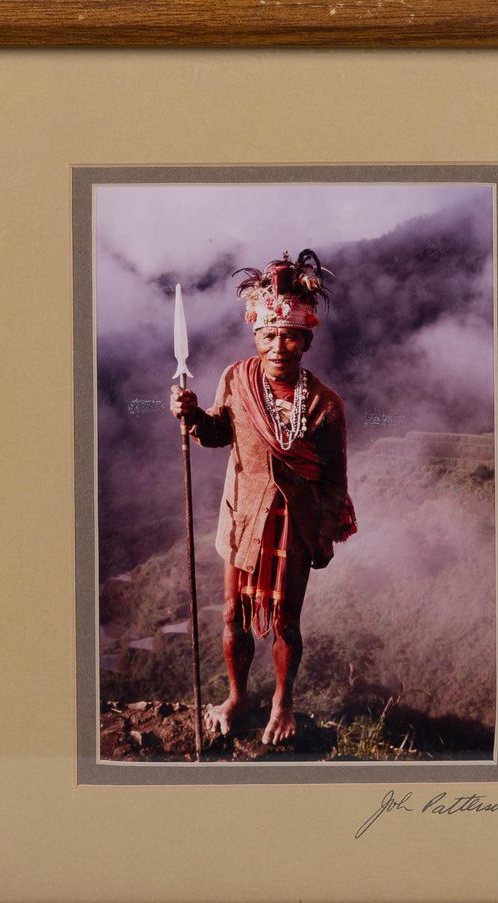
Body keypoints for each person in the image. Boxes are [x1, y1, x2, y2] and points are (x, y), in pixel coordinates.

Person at [170, 249, 356, 746]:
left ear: (306, 339)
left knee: (286, 622)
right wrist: (190, 415)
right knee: (233, 614)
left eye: (290, 334)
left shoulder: (325, 406)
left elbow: (335, 482)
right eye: (269, 334)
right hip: (243, 519)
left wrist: (321, 539)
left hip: (294, 524)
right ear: (256, 335)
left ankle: (282, 701)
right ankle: (237, 696)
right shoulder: (236, 379)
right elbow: (215, 434)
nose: (279, 345)